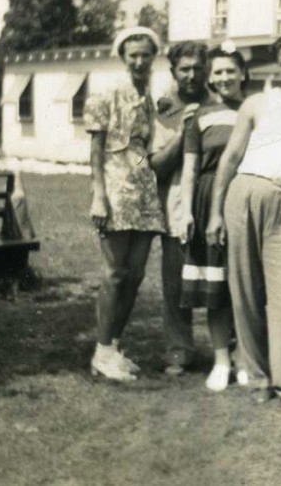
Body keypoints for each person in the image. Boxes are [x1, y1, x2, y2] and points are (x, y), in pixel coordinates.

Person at [206, 30, 281, 408]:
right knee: (245, 292)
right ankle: (257, 376)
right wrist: (215, 213)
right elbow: (229, 159)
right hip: (243, 194)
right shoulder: (257, 103)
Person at [86, 27, 167, 381]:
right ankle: (101, 352)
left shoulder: (149, 96)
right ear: (123, 57)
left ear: (153, 57)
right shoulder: (106, 92)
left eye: (145, 55)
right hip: (115, 188)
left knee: (135, 275)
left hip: (144, 189)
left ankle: (114, 347)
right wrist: (98, 194)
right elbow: (95, 150)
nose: (139, 61)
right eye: (132, 55)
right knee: (116, 273)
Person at [177, 40, 248, 392]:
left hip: (246, 198)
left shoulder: (255, 109)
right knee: (215, 286)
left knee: (245, 283)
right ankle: (221, 359)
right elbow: (189, 169)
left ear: (242, 73)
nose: (224, 77)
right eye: (217, 71)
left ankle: (244, 357)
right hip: (208, 202)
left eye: (230, 71)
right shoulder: (199, 115)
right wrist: (188, 211)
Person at [148, 41, 205, 378]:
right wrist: (182, 132)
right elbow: (155, 164)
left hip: (212, 200)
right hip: (176, 205)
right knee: (176, 282)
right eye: (184, 68)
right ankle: (179, 350)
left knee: (220, 277)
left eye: (198, 68)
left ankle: (229, 348)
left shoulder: (217, 105)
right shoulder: (164, 111)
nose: (192, 74)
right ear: (173, 72)